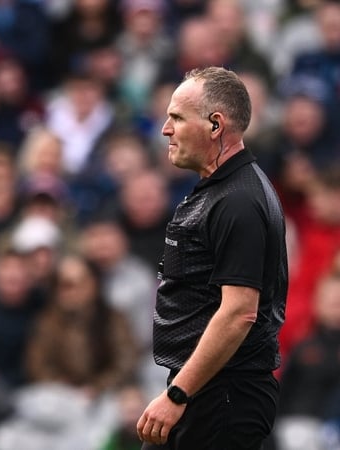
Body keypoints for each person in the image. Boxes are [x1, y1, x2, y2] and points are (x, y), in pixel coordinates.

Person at [135, 66, 288, 449]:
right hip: (205, 389)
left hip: (221, 397)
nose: (165, 130)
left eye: (176, 118)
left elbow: (239, 312)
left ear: (215, 125)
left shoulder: (238, 200)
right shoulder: (221, 190)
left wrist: (177, 396)